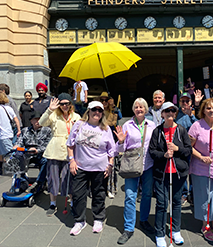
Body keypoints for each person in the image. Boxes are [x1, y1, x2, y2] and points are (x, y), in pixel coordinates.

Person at [66, 101, 117, 235]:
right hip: (80, 166)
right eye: (94, 109)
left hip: (100, 168)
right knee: (77, 195)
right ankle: (79, 221)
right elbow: (70, 144)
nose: (97, 113)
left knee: (99, 194)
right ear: (88, 111)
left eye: (100, 110)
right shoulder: (79, 125)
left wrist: (110, 165)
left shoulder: (106, 129)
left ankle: (98, 218)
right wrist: (71, 160)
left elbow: (111, 150)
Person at [114, 98, 157, 244]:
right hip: (131, 165)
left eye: (142, 107)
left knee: (146, 195)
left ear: (146, 109)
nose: (139, 109)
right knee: (130, 196)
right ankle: (128, 228)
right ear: (133, 109)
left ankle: (144, 220)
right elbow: (119, 150)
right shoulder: (127, 125)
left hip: (148, 165)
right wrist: (120, 142)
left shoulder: (152, 125)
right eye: (136, 107)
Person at [148, 102, 191, 247]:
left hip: (178, 173)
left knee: (176, 203)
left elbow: (188, 150)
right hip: (162, 173)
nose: (170, 113)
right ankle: (159, 233)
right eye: (167, 111)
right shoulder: (157, 131)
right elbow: (152, 151)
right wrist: (164, 154)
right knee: (161, 204)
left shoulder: (181, 130)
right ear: (162, 114)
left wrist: (177, 148)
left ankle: (175, 230)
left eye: (173, 111)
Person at [188, 98, 213, 241]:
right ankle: (205, 225)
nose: (212, 111)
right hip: (202, 168)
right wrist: (201, 157)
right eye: (208, 108)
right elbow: (189, 147)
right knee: (205, 198)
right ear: (203, 111)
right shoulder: (196, 126)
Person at [40, 93, 80, 216]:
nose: (64, 106)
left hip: (70, 151)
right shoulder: (53, 115)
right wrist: (49, 109)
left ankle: (72, 203)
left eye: (66, 103)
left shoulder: (76, 116)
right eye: (62, 104)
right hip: (54, 150)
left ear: (70, 104)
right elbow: (41, 123)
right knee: (53, 178)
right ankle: (52, 203)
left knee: (70, 178)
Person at [15, 115, 51, 193]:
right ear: (31, 121)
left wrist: (38, 150)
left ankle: (39, 182)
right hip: (27, 154)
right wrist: (16, 145)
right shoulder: (25, 130)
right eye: (36, 119)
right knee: (16, 157)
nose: (38, 121)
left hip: (40, 154)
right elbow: (19, 141)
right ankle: (23, 180)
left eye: (40, 119)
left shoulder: (47, 130)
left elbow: (48, 145)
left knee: (47, 160)